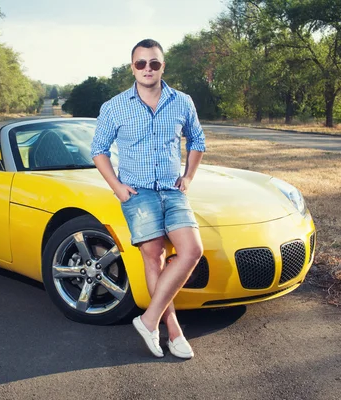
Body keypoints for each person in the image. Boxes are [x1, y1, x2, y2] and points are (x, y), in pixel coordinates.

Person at [90, 39, 205, 359]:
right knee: (153, 255)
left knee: (192, 250)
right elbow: (98, 151)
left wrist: (189, 176)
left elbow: (198, 140)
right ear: (133, 68)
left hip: (172, 189)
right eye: (141, 64)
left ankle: (148, 320)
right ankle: (174, 330)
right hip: (138, 193)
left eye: (154, 63)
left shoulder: (182, 101)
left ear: (162, 66)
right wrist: (117, 187)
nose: (147, 69)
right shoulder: (114, 106)